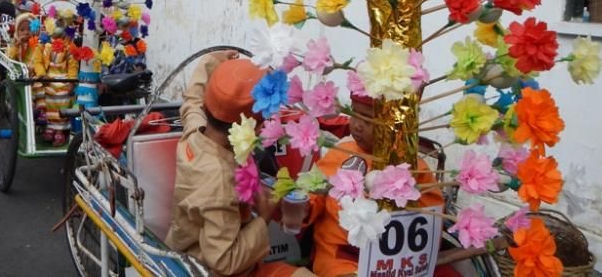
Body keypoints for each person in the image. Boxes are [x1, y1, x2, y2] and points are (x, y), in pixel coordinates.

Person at [165, 51, 314, 277]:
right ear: (249, 128)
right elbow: (224, 262)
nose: (263, 129)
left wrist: (213, 60)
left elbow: (192, 101)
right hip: (202, 271)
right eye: (262, 123)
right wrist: (264, 216)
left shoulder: (197, 133)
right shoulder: (219, 182)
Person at [294, 94, 444, 277]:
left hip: (394, 266)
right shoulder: (340, 153)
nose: (357, 125)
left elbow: (430, 222)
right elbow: (312, 194)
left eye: (369, 120)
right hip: (340, 261)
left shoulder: (415, 169)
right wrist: (301, 207)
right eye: (355, 114)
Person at [33, 24, 78, 146]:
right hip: (47, 77)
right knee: (42, 93)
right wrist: (42, 74)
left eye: (59, 36)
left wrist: (71, 82)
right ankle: (49, 127)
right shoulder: (43, 46)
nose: (56, 38)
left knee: (62, 95)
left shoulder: (69, 47)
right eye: (54, 36)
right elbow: (37, 62)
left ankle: (59, 130)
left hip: (63, 78)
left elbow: (73, 67)